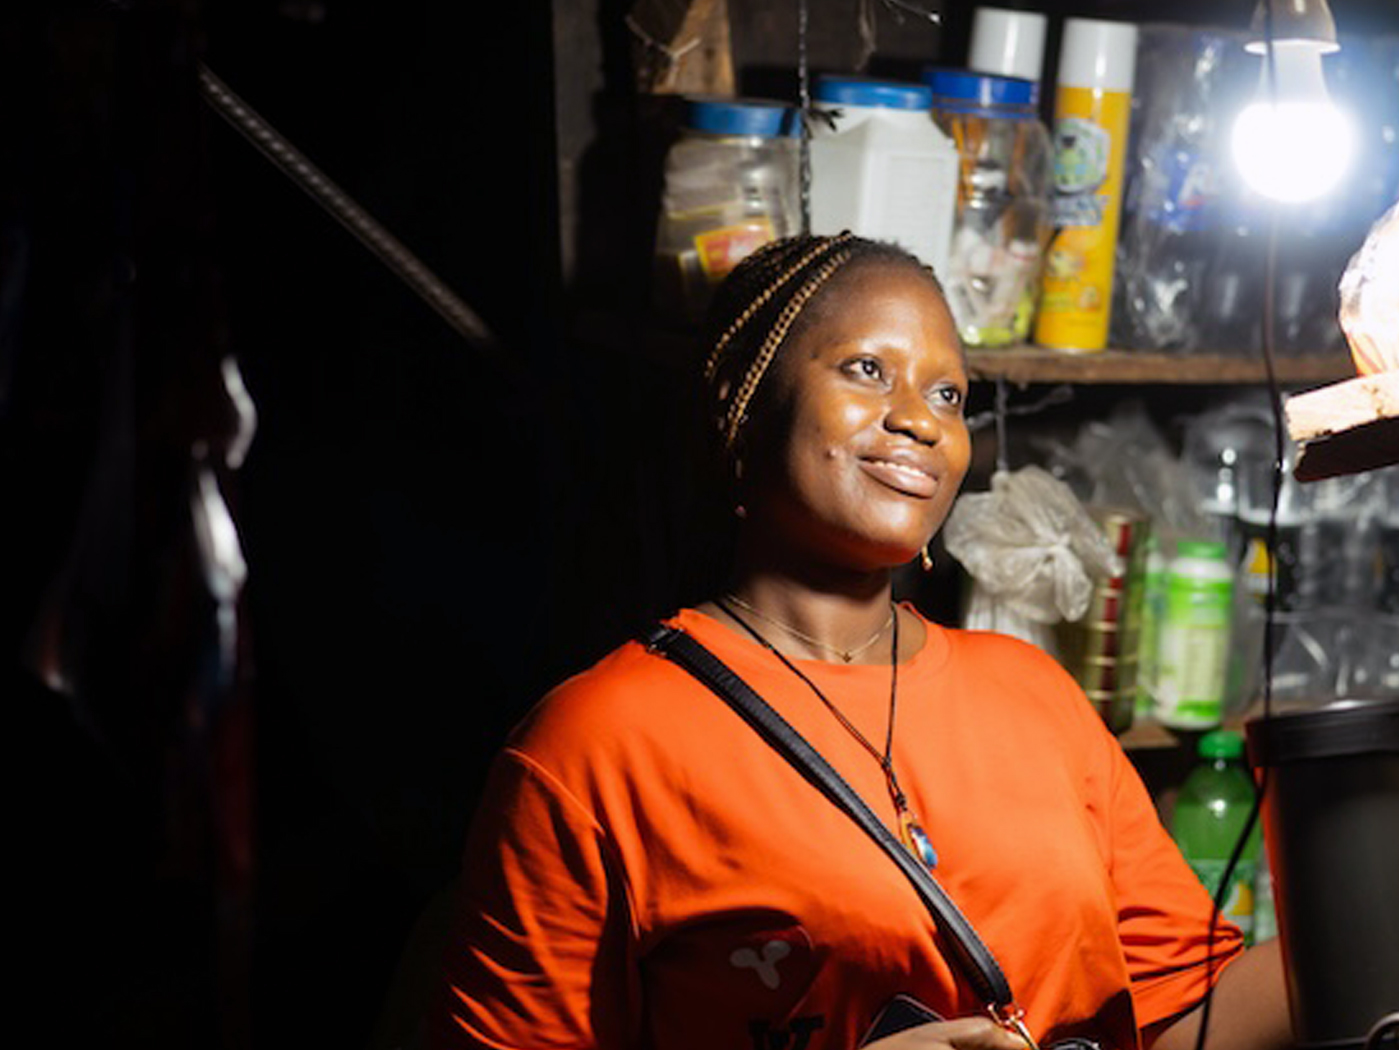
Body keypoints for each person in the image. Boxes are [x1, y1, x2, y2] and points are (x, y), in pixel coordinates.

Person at [427, 232, 1292, 1050]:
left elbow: (1188, 1012)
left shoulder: (1035, 696)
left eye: (947, 393)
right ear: (744, 404)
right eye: (868, 370)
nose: (918, 419)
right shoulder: (597, 745)